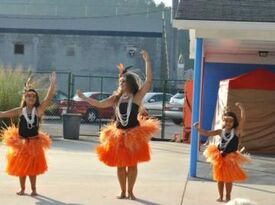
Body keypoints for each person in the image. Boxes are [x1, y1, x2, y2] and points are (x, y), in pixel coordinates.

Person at [77, 50, 159, 200]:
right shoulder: (116, 98)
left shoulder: (137, 97)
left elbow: (148, 81)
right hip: (119, 135)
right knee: (121, 165)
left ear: (130, 83)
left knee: (132, 165)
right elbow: (100, 104)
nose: (121, 83)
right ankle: (122, 191)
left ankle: (131, 191)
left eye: (123, 81)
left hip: (134, 135)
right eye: (120, 81)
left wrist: (147, 61)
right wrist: (84, 98)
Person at [0, 72, 56, 196]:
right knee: (21, 167)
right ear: (25, 98)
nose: (31, 98)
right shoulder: (20, 111)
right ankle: (22, 188)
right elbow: (3, 113)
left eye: (33, 96)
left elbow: (48, 98)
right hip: (21, 143)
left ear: (36, 99)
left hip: (34, 143)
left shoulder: (38, 111)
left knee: (32, 168)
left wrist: (52, 85)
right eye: (28, 96)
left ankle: (34, 189)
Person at [193, 103, 250, 202]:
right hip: (220, 157)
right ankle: (220, 196)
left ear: (234, 122)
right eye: (225, 120)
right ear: (223, 121)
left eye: (230, 121)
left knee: (228, 179)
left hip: (230, 158)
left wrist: (241, 108)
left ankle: (228, 196)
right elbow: (207, 133)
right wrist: (197, 128)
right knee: (219, 178)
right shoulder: (220, 131)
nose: (227, 123)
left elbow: (243, 119)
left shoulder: (236, 131)